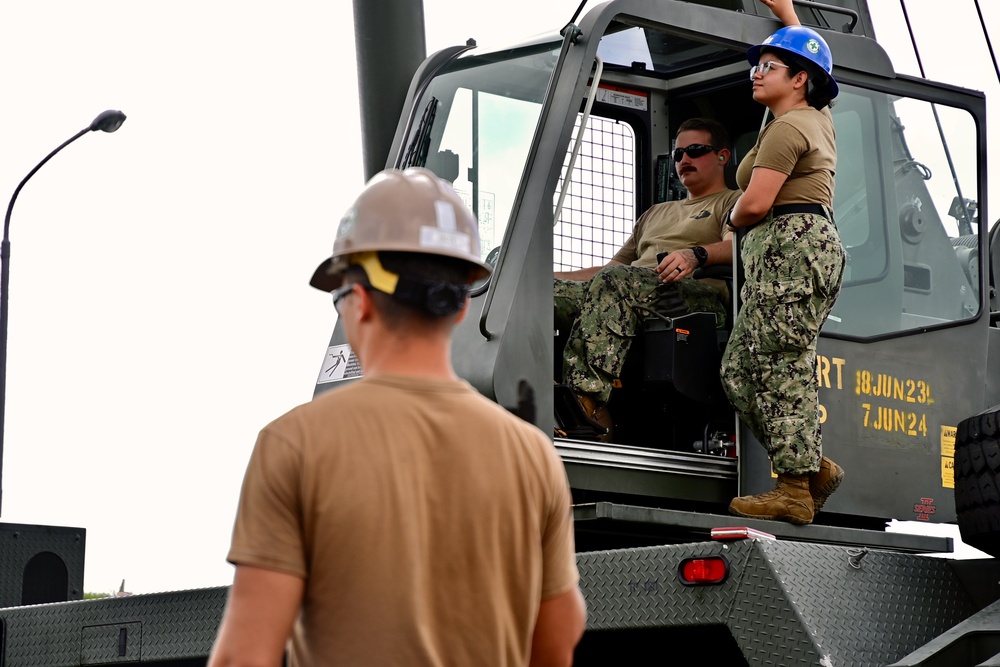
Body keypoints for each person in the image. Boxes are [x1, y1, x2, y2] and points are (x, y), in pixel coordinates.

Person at [208, 167, 586, 667]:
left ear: (359, 301)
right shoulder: (531, 454)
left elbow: (244, 656)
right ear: (456, 310)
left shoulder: (296, 444)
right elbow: (556, 639)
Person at [721, 0, 846, 525]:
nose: (757, 72)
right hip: (781, 254)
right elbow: (812, 61)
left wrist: (728, 219)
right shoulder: (811, 116)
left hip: (791, 248)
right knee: (739, 370)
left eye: (768, 67)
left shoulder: (791, 128)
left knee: (780, 365)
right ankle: (810, 468)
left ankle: (793, 489)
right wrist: (789, 16)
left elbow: (754, 203)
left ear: (798, 81)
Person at [555, 117, 740, 435]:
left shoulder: (733, 202)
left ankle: (589, 402)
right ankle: (542, 393)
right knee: (547, 295)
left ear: (722, 155)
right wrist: (544, 276)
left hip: (688, 296)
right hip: (628, 288)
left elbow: (734, 247)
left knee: (617, 283)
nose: (684, 160)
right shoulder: (654, 213)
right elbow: (610, 269)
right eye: (678, 154)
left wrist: (695, 255)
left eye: (695, 150)